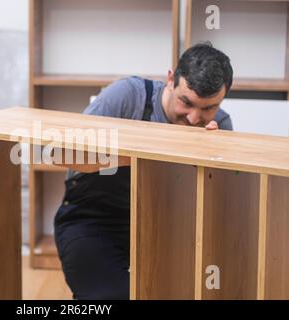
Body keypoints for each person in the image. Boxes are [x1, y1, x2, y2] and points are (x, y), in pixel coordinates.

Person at [53, 42, 234, 299]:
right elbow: (64, 153)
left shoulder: (220, 125)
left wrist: (210, 162)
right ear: (171, 79)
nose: (194, 118)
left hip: (169, 228)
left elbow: (221, 205)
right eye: (186, 102)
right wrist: (144, 154)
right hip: (94, 221)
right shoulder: (127, 96)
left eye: (208, 108)